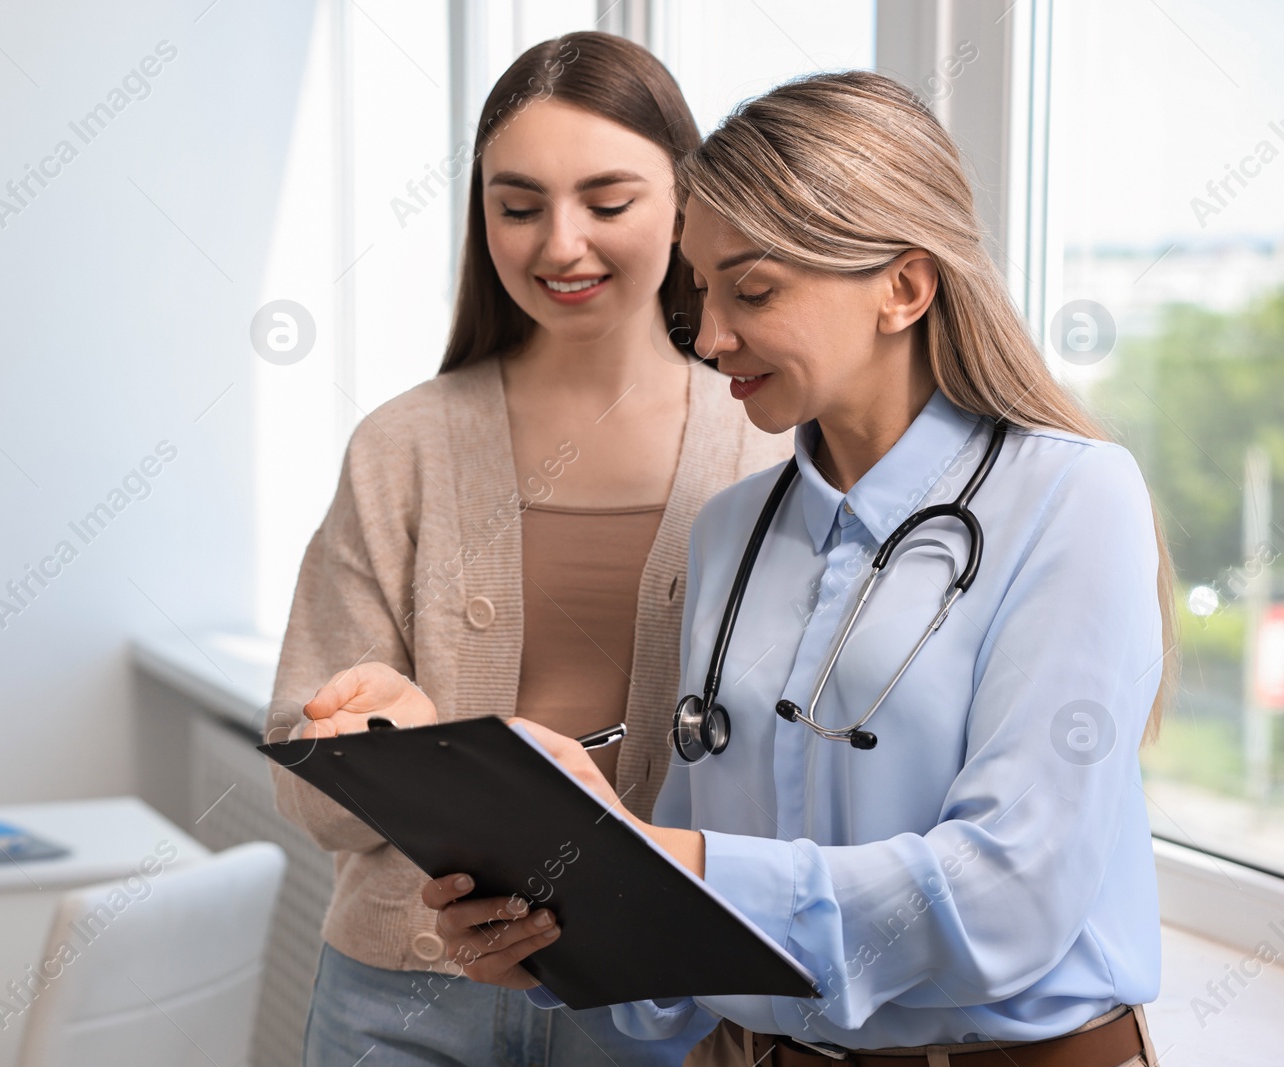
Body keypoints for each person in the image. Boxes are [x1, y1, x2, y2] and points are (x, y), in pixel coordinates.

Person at [309, 71, 1176, 1066]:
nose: (711, 334)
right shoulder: (732, 531)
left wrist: (674, 863)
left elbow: (1009, 893)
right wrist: (556, 936)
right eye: (702, 289)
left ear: (902, 285)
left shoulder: (1072, 497)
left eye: (752, 290)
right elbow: (691, 948)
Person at [269, 32, 791, 1067]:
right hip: (401, 988)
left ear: (687, 204)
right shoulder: (403, 444)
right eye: (518, 206)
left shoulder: (766, 438)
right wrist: (381, 736)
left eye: (607, 203)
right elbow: (307, 792)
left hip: (652, 994)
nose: (560, 245)